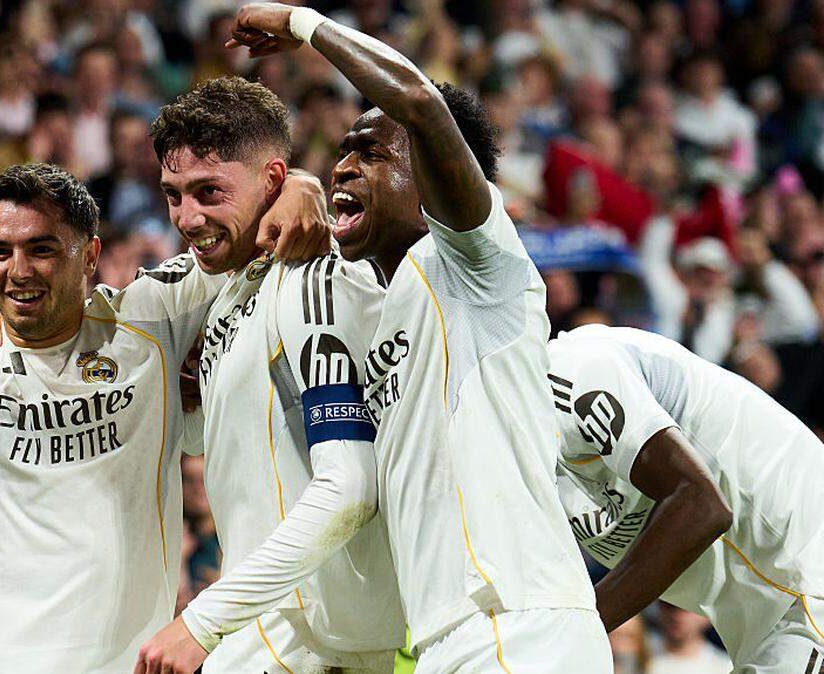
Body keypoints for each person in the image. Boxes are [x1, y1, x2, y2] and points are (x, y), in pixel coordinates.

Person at [0, 96, 321, 673]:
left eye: (41, 249)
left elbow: (241, 228)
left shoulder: (153, 317)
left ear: (90, 254)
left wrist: (298, 185)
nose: (17, 271)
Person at [215, 4, 612, 672]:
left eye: (371, 153)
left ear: (435, 172)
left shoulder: (479, 265)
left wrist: (306, 23)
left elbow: (423, 105)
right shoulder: (382, 301)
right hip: (445, 638)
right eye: (342, 151)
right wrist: (298, 186)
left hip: (516, 624)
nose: (346, 165)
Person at [137, 76, 402, 674]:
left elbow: (350, 485)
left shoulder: (316, 277)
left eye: (209, 191)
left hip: (321, 643)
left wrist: (202, 621)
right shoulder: (230, 291)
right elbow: (248, 449)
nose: (187, 216)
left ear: (273, 181)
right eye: (173, 195)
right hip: (266, 632)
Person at [549, 323, 824, 672]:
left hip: (807, 574)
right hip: (764, 618)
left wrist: (578, 633)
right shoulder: (509, 462)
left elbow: (701, 507)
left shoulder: (572, 368)